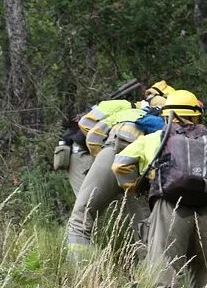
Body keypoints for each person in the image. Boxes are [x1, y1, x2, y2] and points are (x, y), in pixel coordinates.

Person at [111, 89, 207, 288]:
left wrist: (135, 187)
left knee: (160, 283)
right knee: (202, 283)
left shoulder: (155, 139)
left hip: (170, 208)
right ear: (196, 115)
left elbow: (120, 164)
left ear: (167, 115)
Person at [64, 81, 173, 261]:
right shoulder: (168, 122)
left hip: (113, 152)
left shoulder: (126, 111)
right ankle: (152, 275)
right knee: (144, 228)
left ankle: (80, 269)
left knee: (81, 217)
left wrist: (100, 158)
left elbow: (90, 132)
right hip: (141, 169)